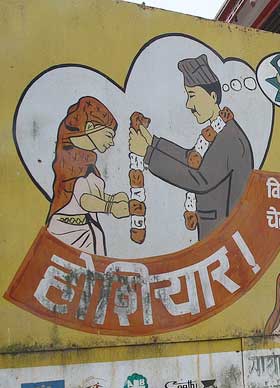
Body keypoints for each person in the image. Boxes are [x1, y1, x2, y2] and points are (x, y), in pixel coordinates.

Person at [129, 54, 253, 240]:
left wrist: (148, 155)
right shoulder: (218, 130)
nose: (188, 104)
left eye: (192, 95)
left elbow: (199, 178)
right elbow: (190, 158)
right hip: (216, 230)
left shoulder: (229, 138)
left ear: (212, 96)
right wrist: (152, 143)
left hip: (224, 234)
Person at [47, 96, 129, 255]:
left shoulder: (87, 160)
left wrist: (113, 199)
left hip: (85, 230)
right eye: (108, 135)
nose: (111, 142)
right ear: (90, 127)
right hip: (68, 234)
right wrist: (110, 207)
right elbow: (84, 199)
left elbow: (91, 194)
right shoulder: (69, 160)